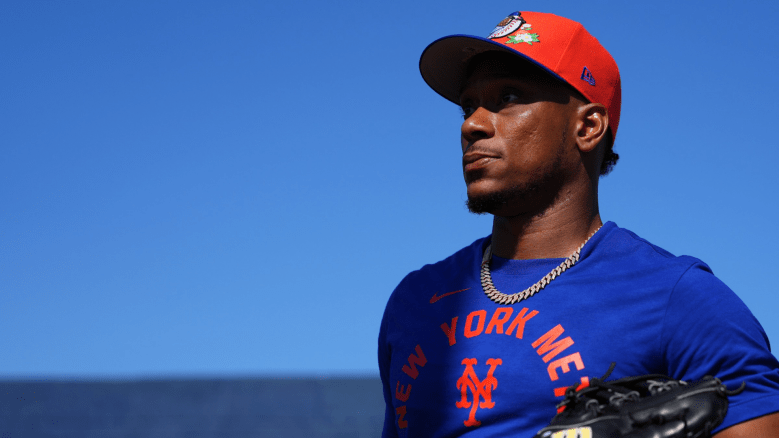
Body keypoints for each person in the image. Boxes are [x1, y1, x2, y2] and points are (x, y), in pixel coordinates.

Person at [378, 11, 779, 438]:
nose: (472, 124)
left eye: (508, 97)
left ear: (587, 127)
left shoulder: (678, 298)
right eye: (467, 106)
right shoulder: (415, 301)